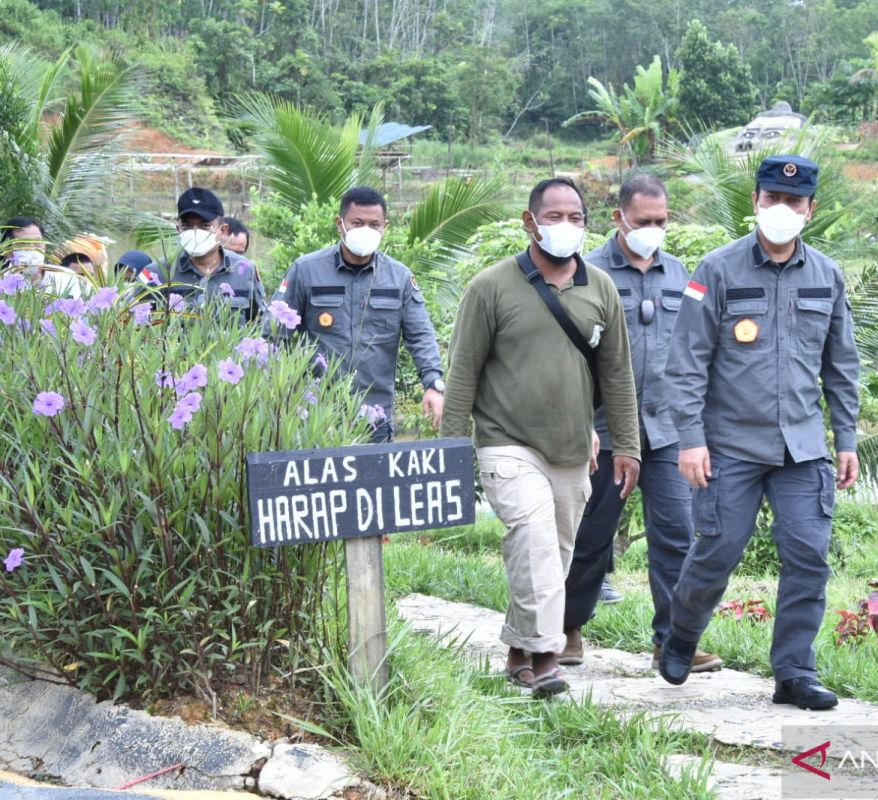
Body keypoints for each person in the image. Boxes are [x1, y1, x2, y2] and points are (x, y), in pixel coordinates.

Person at [658, 156, 860, 711]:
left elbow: (841, 366)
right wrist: (691, 440)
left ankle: (795, 672)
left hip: (802, 448)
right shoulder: (716, 270)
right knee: (718, 550)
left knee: (808, 556)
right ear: (755, 201)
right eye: (772, 199)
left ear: (810, 210)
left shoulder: (827, 275)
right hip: (729, 446)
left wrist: (846, 438)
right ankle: (681, 634)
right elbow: (687, 362)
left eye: (794, 202)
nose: (782, 210)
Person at [442, 177, 641, 697]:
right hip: (507, 441)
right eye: (554, 217)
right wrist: (444, 452)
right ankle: (548, 658)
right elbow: (462, 373)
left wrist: (627, 445)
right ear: (529, 223)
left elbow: (617, 375)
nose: (566, 226)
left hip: (574, 447)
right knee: (532, 541)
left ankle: (517, 650)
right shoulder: (490, 286)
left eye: (576, 217)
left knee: (552, 553)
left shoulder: (601, 288)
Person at [560, 174, 722, 674]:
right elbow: (572, 353)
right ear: (619, 219)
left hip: (669, 431)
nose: (654, 229)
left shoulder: (683, 275)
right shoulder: (587, 273)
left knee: (677, 534)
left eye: (661, 221)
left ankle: (672, 642)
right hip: (607, 430)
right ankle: (567, 629)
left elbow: (699, 348)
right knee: (591, 534)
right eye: (644, 221)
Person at [271, 186, 444, 443]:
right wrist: (276, 391)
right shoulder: (306, 270)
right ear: (340, 224)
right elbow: (275, 334)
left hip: (374, 414)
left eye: (374, 224)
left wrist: (433, 383)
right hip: (315, 413)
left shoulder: (399, 278)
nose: (366, 230)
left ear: (385, 226)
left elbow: (420, 335)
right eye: (357, 222)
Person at [155, 187, 265, 320]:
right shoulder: (158, 272)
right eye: (187, 226)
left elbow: (261, 321)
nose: (195, 232)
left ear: (223, 231)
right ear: (178, 230)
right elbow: (132, 323)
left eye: (204, 226)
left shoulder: (245, 271)